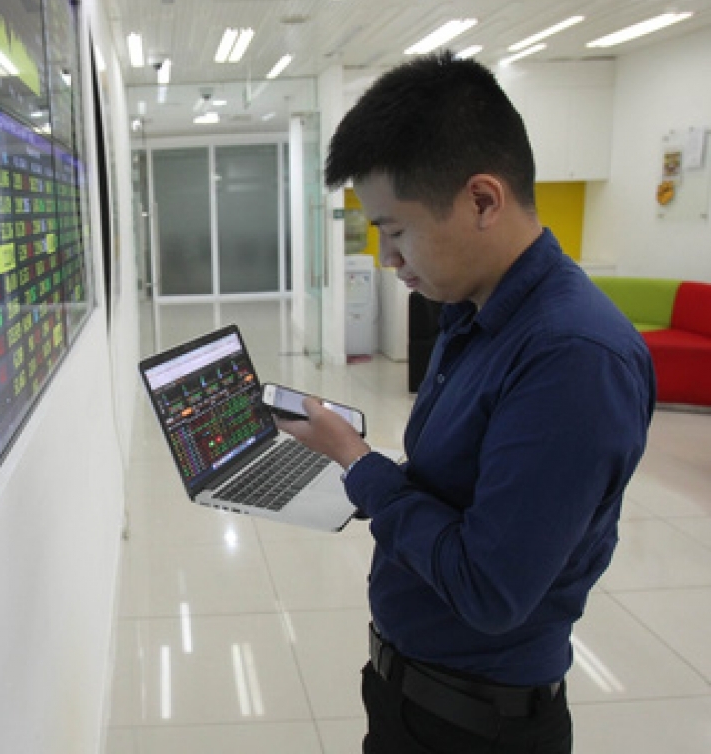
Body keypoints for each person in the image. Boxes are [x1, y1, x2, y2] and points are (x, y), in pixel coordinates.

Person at [275, 51, 655, 753]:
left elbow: (488, 588)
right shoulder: (473, 313)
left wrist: (361, 465)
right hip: (413, 693)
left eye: (396, 230)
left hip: (476, 725)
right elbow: (457, 487)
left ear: (483, 200)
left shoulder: (571, 357)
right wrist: (357, 464)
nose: (388, 259)